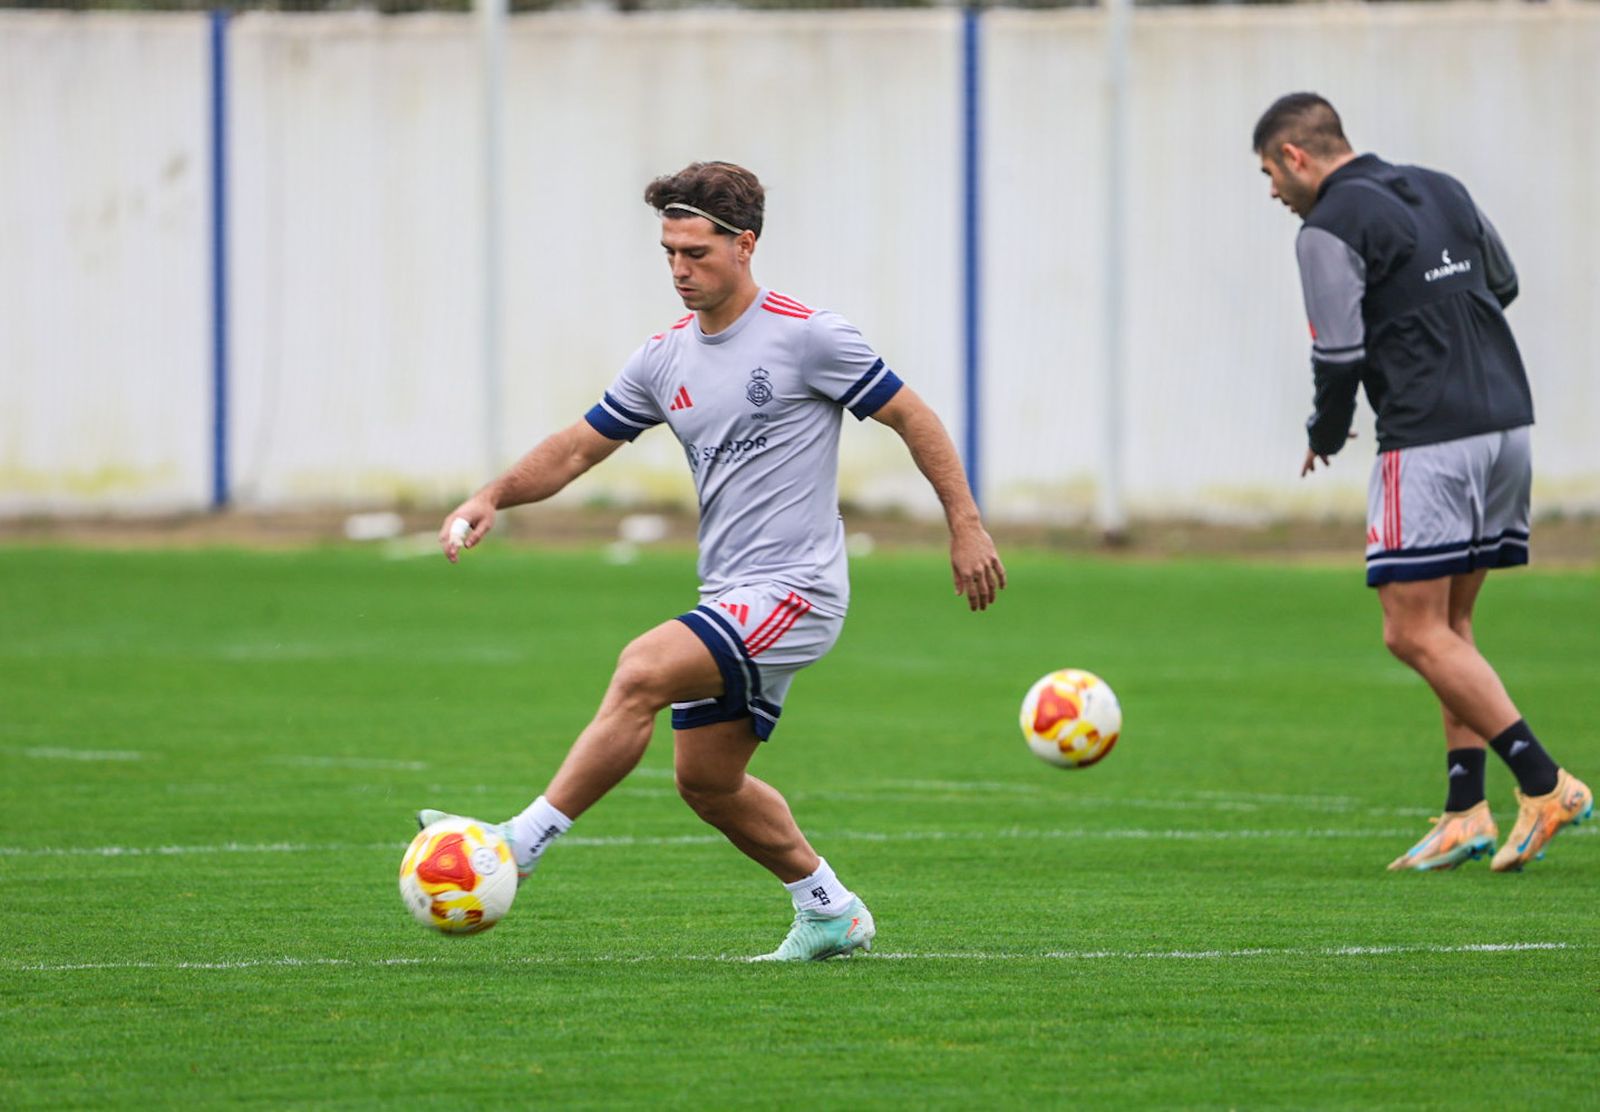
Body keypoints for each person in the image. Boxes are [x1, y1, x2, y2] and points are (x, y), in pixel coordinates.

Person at [422, 160, 1006, 958]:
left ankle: (514, 848)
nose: (679, 270)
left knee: (641, 669)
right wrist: (492, 495)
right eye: (668, 252)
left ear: (745, 245)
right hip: (733, 593)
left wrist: (965, 524)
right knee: (707, 782)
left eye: (695, 252)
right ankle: (830, 908)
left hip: (798, 591)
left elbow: (913, 415)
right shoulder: (664, 358)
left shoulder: (808, 336)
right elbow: (575, 450)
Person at [1251, 93, 1591, 873]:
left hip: (1429, 437)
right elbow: (1500, 284)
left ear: (1297, 158)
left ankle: (1544, 783)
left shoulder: (1326, 228)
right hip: (1507, 420)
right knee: (1451, 629)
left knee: (1410, 631)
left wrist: (1325, 436)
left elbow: (1338, 355)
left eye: (1270, 172)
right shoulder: (1443, 186)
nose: (1271, 190)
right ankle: (1464, 811)